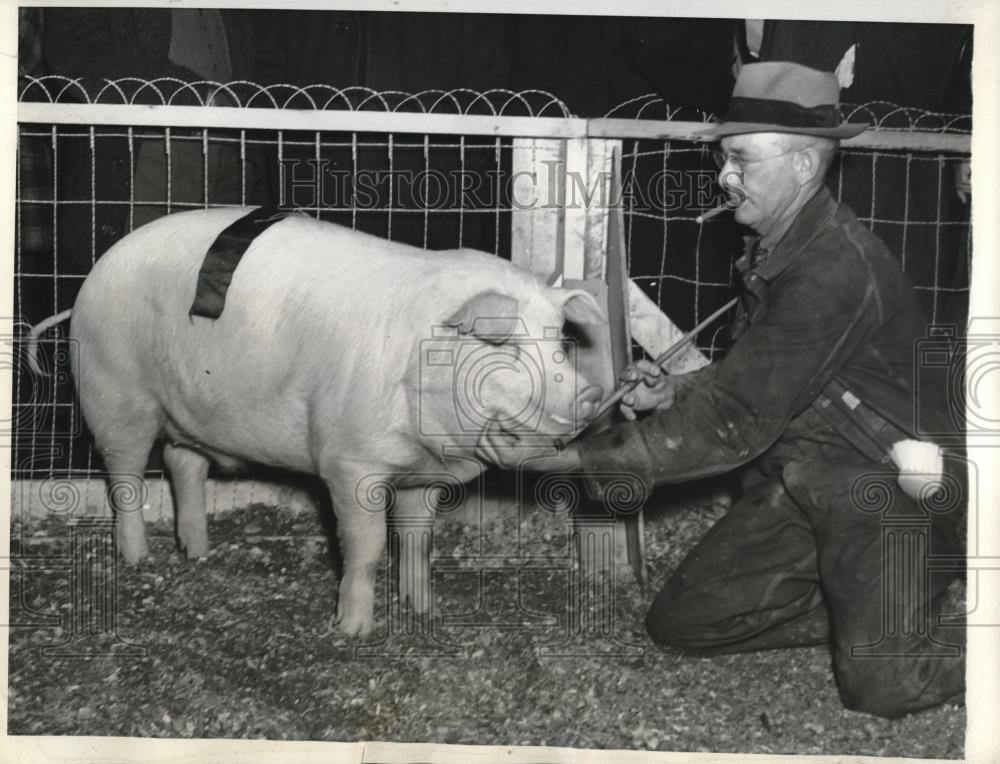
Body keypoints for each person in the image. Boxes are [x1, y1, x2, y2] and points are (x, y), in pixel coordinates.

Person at [479, 62, 965, 719]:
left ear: (802, 165)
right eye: (724, 159)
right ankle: (872, 614)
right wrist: (677, 391)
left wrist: (554, 457)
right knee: (684, 623)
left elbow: (736, 422)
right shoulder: (785, 252)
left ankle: (910, 623)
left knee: (884, 687)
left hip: (883, 495)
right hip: (808, 483)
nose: (723, 177)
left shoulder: (832, 270)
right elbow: (771, 375)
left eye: (740, 159)